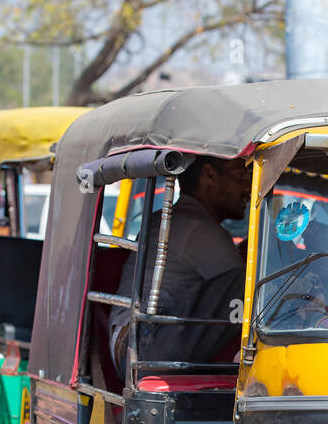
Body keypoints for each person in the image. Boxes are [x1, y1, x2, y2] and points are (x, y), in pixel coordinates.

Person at [108, 155, 251, 376]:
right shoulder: (199, 229)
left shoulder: (168, 219)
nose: (248, 187)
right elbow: (246, 291)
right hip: (147, 343)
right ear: (209, 175)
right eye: (241, 175)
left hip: (129, 343)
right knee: (251, 282)